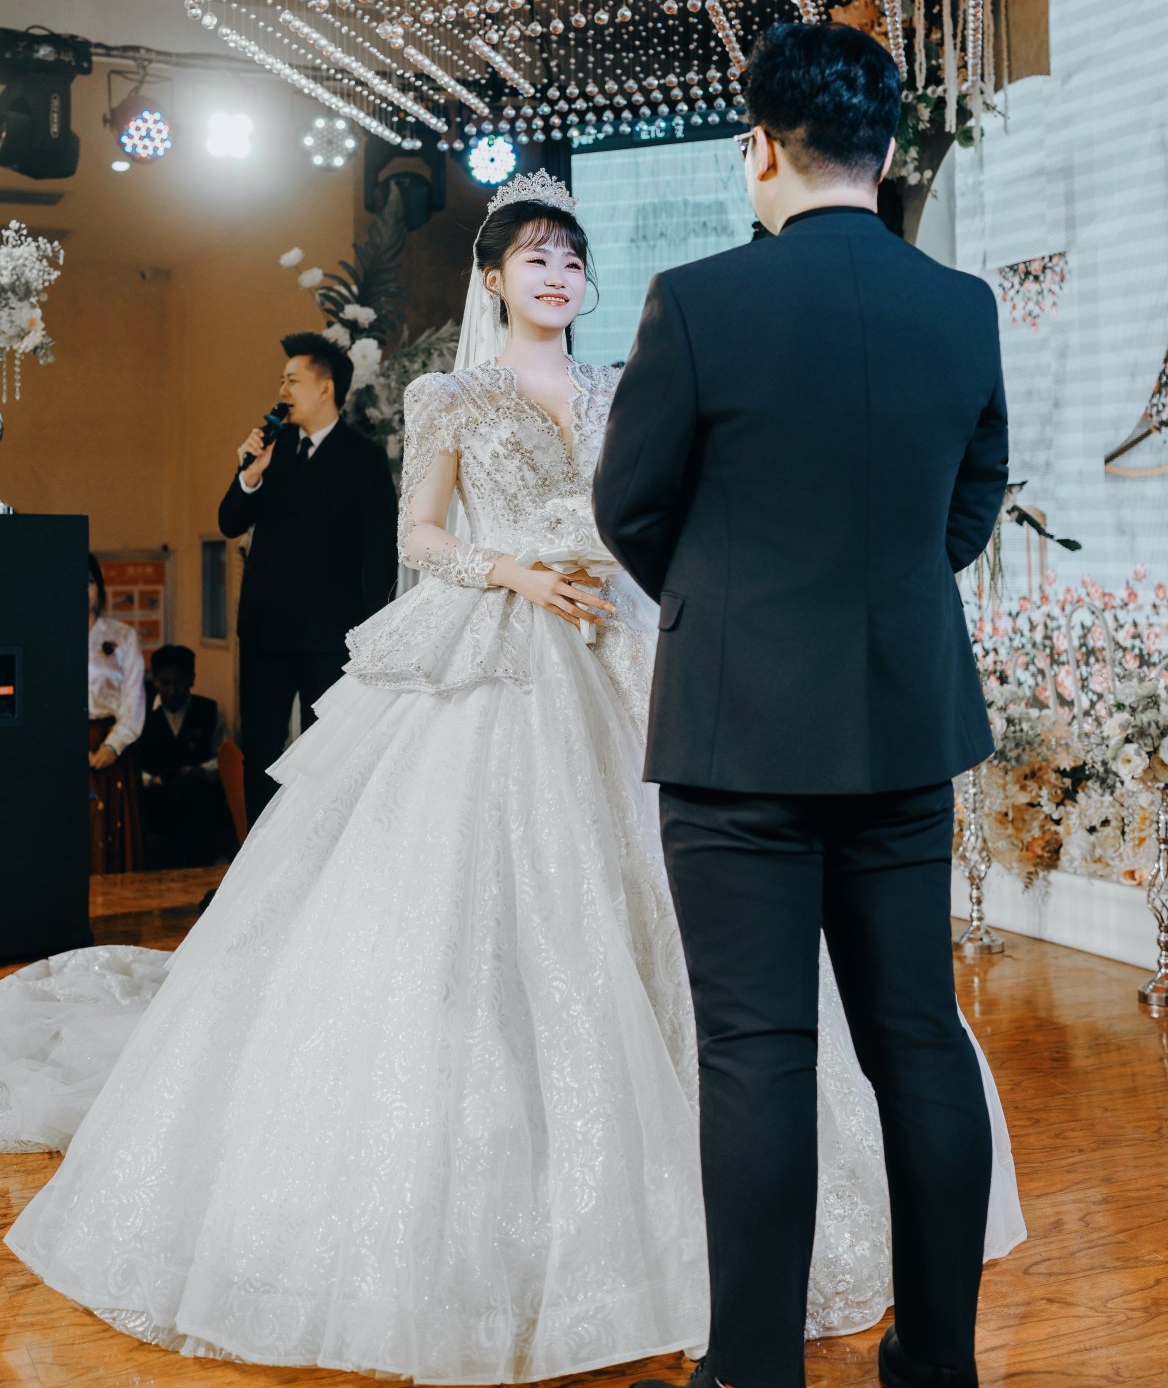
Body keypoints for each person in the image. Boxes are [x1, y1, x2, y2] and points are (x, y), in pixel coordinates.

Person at [0, 170, 1022, 1381]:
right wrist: (515, 573)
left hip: (628, 644)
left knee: (668, 925)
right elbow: (418, 535)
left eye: (572, 258)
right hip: (499, 653)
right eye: (534, 256)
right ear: (491, 277)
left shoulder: (625, 381)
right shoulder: (450, 394)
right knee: (485, 914)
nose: (557, 273)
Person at [594, 22, 1012, 1388]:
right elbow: (968, 505)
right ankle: (937, 1362)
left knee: (756, 1052)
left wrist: (729, 605)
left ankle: (753, 1369)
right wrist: (876, 595)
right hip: (901, 728)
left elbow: (629, 506)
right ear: (883, 154)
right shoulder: (961, 307)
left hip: (737, 736)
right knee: (919, 1038)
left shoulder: (698, 300)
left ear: (760, 147)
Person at [218, 331, 398, 827]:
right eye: (282, 380)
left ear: (325, 388)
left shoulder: (364, 458)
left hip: (330, 636)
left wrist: (371, 638)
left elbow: (379, 556)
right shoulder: (271, 450)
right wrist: (249, 475)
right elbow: (229, 522)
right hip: (265, 632)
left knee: (331, 751)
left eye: (292, 380)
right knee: (261, 752)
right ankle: (255, 863)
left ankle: (321, 857)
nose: (282, 390)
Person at [139, 645, 235, 869]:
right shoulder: (140, 713)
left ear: (191, 680)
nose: (172, 690)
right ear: (155, 682)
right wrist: (150, 780)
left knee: (201, 803)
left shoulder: (210, 710)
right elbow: (132, 764)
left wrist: (200, 771)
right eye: (165, 683)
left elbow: (221, 758)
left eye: (179, 683)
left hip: (196, 796)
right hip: (154, 796)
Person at [86, 552, 146, 873]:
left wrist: (113, 745)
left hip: (112, 744)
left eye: (89, 582)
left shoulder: (122, 635)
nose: (83, 590)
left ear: (99, 587)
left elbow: (133, 698)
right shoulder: (51, 635)